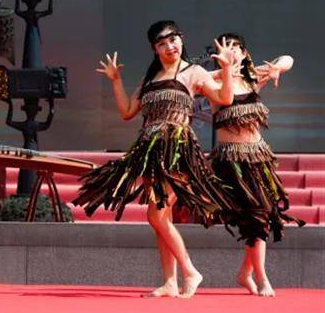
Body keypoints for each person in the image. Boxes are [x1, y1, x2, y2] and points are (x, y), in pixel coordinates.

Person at [73, 21, 238, 298]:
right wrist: (116, 81)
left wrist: (227, 68)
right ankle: (170, 282)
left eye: (173, 40)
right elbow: (127, 111)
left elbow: (225, 98)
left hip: (177, 149)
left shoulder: (193, 72)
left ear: (181, 40)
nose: (170, 47)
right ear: (155, 49)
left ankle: (190, 271)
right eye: (162, 43)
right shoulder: (150, 79)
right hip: (149, 151)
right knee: (162, 217)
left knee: (156, 214)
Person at [208, 33, 302, 296]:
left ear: (245, 53)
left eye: (236, 47)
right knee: (255, 216)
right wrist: (223, 70)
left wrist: (277, 68)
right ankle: (261, 278)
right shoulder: (213, 82)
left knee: (264, 215)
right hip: (231, 162)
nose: (232, 51)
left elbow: (289, 59)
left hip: (258, 157)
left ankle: (245, 274)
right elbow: (192, 79)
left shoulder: (252, 77)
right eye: (226, 47)